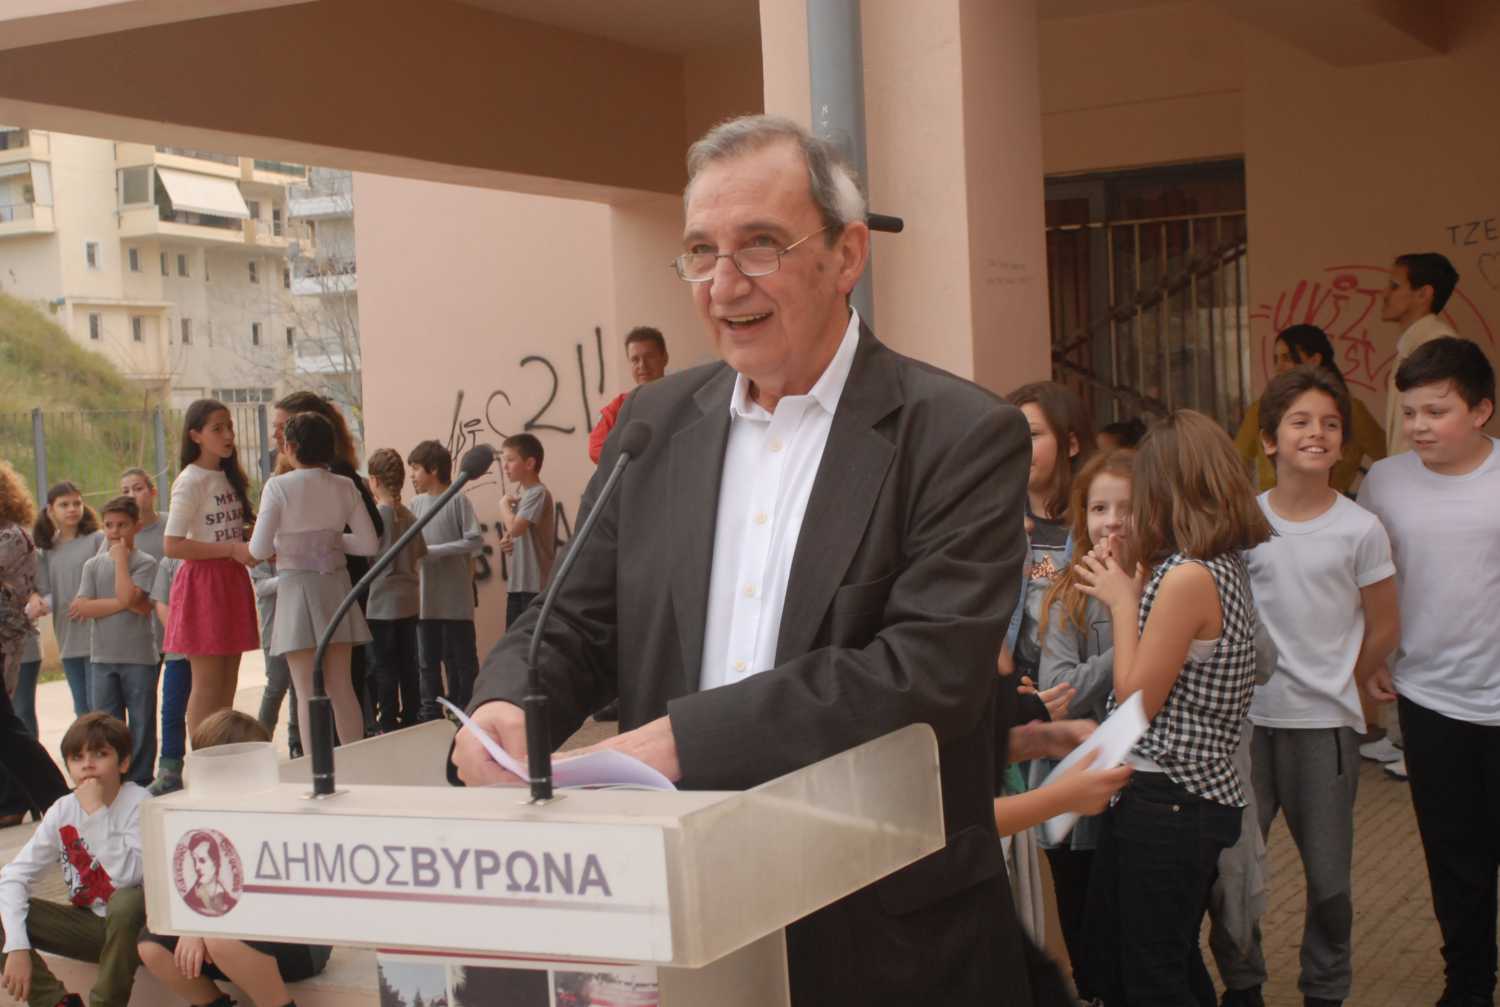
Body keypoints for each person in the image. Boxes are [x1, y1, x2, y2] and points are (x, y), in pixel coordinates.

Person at [451, 114, 1036, 1005]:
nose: (724, 285)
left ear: (846, 255)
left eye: (760, 244)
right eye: (700, 251)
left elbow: (926, 672)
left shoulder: (960, 435)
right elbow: (573, 616)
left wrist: (687, 740)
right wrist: (508, 700)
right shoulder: (653, 423)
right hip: (683, 925)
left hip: (887, 938)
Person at [1075, 409, 1272, 1006]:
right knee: (1161, 958)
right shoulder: (1215, 563)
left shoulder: (1188, 575)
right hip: (1182, 795)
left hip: (1173, 799)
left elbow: (1136, 701)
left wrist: (1121, 602)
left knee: (1153, 972)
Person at [1227, 365, 1400, 1007]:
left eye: (1330, 424)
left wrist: (1342, 679)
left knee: (1329, 881)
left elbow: (1385, 625)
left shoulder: (1361, 529)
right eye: (1300, 422)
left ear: (1342, 442)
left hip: (1325, 728)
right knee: (1234, 870)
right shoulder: (1243, 523)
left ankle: (1325, 989)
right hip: (1246, 725)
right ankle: (1242, 983)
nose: (1317, 433)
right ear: (1270, 440)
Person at [1358, 337, 1499, 1007]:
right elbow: (1364, 580)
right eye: (1410, 411)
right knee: (1453, 856)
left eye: (1436, 412)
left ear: (1481, 411)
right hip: (1429, 698)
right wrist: (1372, 656)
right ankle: (1466, 985)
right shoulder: (1384, 482)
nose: (1418, 426)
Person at [1030, 447, 1137, 995]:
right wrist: (1132, 631)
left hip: (1144, 794)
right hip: (1075, 799)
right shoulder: (1066, 593)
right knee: (1087, 947)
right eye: (1099, 509)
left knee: (1143, 946)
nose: (1111, 521)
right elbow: (1059, 693)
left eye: (1126, 507)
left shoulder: (1173, 581)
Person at [138, 709, 332, 1007]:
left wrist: (200, 926)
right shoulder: (191, 811)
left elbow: (265, 897)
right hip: (224, 933)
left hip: (298, 940)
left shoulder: (275, 810)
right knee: (152, 944)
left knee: (221, 935)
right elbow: (181, 885)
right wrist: (190, 926)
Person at [247, 411, 379, 747]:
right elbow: (369, 544)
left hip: (296, 591)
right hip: (336, 588)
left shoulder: (278, 486)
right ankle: (356, 761)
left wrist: (291, 543)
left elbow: (258, 549)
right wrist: (330, 540)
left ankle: (313, 768)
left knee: (305, 690)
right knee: (341, 686)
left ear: (290, 447)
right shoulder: (345, 485)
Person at [0, 713, 147, 1007]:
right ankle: (58, 1003)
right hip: (90, 927)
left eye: (100, 754)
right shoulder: (63, 809)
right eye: (77, 758)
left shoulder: (140, 803)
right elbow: (14, 876)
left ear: (123, 763)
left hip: (137, 930)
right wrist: (16, 945)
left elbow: (127, 878)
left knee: (126, 901)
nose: (87, 764)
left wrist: (96, 813)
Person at [162, 399, 260, 738]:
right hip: (204, 584)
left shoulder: (230, 476)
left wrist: (251, 542)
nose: (228, 435)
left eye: (229, 426)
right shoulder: (190, 480)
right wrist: (231, 549)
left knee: (228, 681)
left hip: (232, 579)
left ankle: (223, 750)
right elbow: (172, 544)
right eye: (217, 428)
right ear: (196, 436)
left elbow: (229, 530)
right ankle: (204, 758)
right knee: (207, 684)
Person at [1233, 325, 1386, 494]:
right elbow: (1236, 462)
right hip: (1272, 507)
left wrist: (1373, 499)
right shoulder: (1261, 408)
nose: (1279, 367)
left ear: (1314, 360)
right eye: (1276, 359)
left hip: (1333, 504)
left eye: (1287, 358)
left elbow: (1389, 456)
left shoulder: (1352, 410)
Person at [71, 496, 160, 787]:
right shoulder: (92, 565)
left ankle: (140, 777)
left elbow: (131, 597)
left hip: (139, 658)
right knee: (105, 722)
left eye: (122, 525)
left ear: (137, 526)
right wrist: (127, 603)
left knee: (142, 720)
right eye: (109, 525)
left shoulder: (145, 563)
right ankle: (112, 777)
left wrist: (121, 562)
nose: (114, 531)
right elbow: (83, 607)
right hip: (103, 657)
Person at [0, 461, 69, 826]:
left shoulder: (11, 537)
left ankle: (58, 801)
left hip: (4, 641)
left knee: (9, 730)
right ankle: (50, 801)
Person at [407, 440, 483, 720]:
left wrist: (432, 551)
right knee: (427, 662)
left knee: (462, 660)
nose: (412, 475)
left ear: (434, 469)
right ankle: (431, 712)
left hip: (456, 601)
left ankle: (465, 708)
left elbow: (474, 541)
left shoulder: (458, 501)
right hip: (425, 601)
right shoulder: (414, 505)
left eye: (416, 468)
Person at [365, 447, 426, 732]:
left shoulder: (376, 517)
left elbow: (367, 557)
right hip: (409, 601)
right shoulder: (410, 516)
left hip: (380, 603)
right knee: (408, 665)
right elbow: (420, 552)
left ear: (374, 480)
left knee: (384, 667)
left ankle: (387, 722)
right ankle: (412, 716)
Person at [31, 482, 103, 718]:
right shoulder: (46, 550)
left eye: (77, 503)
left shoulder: (97, 540)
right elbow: (47, 593)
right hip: (67, 637)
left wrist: (88, 602)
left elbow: (106, 580)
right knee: (81, 708)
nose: (72, 509)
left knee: (98, 705)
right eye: (64, 505)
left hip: (97, 636)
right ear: (50, 510)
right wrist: (36, 601)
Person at [1381, 253, 1460, 457]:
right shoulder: (1412, 345)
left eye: (1395, 286)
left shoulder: (1439, 347)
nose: (1384, 294)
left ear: (1424, 294)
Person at [498, 432, 556, 627]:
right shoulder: (522, 495)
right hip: (517, 585)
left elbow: (515, 528)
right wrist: (507, 542)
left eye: (510, 460)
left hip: (534, 586)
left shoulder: (538, 493)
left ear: (529, 463)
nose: (505, 467)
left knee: (530, 640)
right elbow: (514, 534)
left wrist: (503, 506)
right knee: (514, 640)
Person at [588, 326, 669, 464]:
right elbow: (596, 449)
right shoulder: (618, 407)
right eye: (635, 360)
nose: (642, 365)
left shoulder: (685, 399)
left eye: (649, 357)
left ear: (665, 358)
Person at [148, 555, 191, 794]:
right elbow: (161, 603)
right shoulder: (170, 562)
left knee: (208, 708)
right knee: (172, 710)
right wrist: (179, 634)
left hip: (210, 650)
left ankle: (210, 762)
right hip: (178, 651)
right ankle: (170, 770)